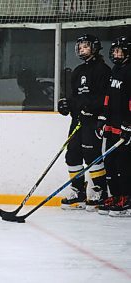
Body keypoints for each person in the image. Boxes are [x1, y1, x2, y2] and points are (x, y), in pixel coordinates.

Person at [58, 34, 111, 211]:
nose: (81, 48)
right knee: (72, 154)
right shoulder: (78, 71)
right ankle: (78, 191)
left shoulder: (103, 70)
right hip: (78, 120)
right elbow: (75, 97)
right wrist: (66, 106)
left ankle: (100, 191)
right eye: (80, 46)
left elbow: (105, 97)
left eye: (85, 46)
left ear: (94, 48)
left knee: (91, 154)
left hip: (93, 121)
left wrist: (94, 110)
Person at [95, 36, 131, 217]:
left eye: (119, 51)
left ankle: (126, 198)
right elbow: (108, 97)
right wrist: (102, 118)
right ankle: (116, 195)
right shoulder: (115, 70)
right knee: (109, 161)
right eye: (114, 51)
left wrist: (129, 125)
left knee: (123, 164)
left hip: (125, 126)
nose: (115, 54)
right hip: (112, 125)